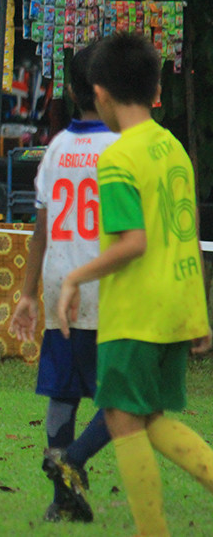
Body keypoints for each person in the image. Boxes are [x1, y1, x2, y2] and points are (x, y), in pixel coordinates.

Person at [58, 32, 213, 537]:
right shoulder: (173, 149)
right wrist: (198, 314)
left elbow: (134, 242)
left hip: (137, 311)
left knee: (124, 421)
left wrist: (74, 278)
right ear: (154, 87)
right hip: (176, 307)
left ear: (99, 93)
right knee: (142, 418)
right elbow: (185, 235)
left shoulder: (120, 157)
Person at [9, 42, 115, 523]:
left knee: (63, 390)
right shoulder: (121, 147)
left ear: (71, 90)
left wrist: (28, 292)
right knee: (125, 397)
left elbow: (42, 227)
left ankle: (61, 498)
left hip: (59, 282)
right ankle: (72, 463)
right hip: (106, 285)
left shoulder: (55, 149)